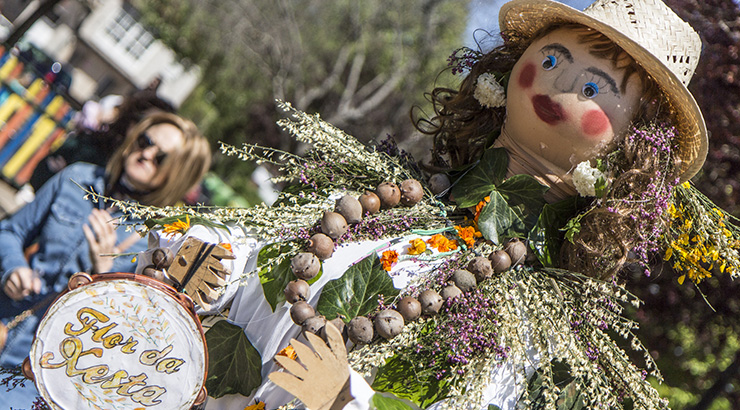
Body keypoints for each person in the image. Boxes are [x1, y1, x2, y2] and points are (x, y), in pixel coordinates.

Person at [194, 0, 710, 409]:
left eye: (594, 87)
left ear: (632, 151)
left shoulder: (527, 323)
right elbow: (262, 264)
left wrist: (345, 401)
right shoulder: (382, 195)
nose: (560, 82)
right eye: (551, 59)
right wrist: (210, 263)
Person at [0, 111, 211, 406]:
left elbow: (129, 335)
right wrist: (13, 268)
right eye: (144, 141)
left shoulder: (160, 241)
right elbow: (10, 230)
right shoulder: (79, 177)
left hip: (45, 370)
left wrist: (102, 273)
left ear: (178, 173)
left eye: (161, 157)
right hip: (6, 314)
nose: (146, 154)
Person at [28, 89, 176, 191]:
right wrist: (62, 178)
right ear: (129, 121)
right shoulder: (89, 145)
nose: (147, 150)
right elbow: (41, 173)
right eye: (141, 123)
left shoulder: (146, 177)